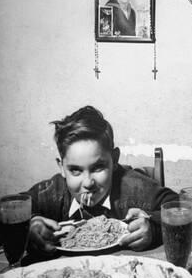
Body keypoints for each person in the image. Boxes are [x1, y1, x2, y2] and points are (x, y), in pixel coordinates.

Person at [26, 106, 178, 258]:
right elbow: (5, 211)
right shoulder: (54, 191)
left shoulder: (133, 188)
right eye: (75, 170)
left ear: (114, 160)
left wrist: (154, 227)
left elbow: (182, 206)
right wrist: (30, 224)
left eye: (98, 167)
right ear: (62, 167)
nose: (88, 183)